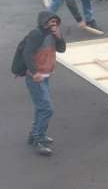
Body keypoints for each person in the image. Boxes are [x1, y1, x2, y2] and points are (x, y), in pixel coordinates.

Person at [19, 10, 65, 156]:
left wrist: (59, 37)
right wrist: (35, 72)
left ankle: (35, 134)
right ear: (43, 22)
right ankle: (39, 139)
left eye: (55, 21)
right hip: (35, 77)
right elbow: (26, 54)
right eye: (51, 21)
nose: (53, 24)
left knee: (41, 107)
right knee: (47, 108)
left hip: (45, 76)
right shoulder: (36, 34)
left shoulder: (53, 34)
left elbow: (62, 49)